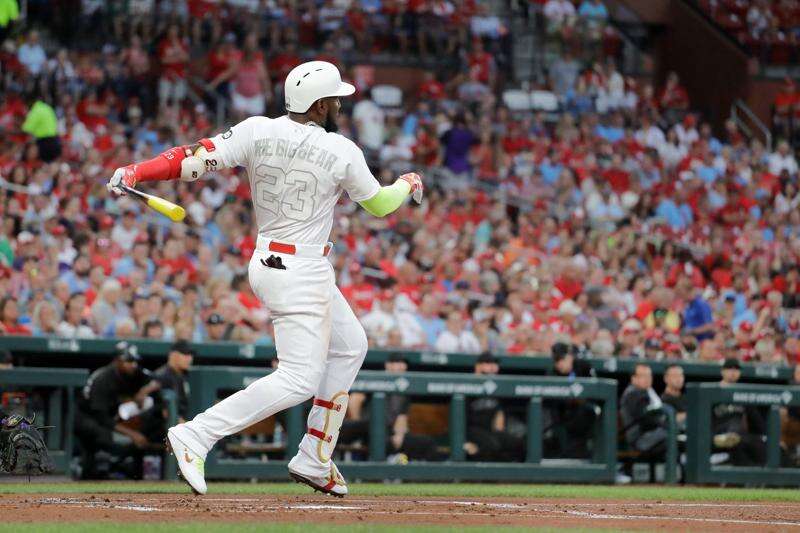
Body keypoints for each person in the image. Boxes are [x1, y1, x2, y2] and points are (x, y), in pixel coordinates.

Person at [106, 61, 424, 496]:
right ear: (322, 103)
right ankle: (197, 434)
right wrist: (408, 182)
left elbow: (192, 160)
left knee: (351, 346)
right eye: (336, 99)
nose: (339, 106)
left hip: (272, 260)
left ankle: (315, 455)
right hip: (300, 270)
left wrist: (136, 171)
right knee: (298, 378)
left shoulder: (257, 129)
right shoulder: (343, 150)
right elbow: (383, 205)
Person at [74, 342, 162, 479]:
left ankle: (127, 471)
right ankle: (98, 470)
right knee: (104, 436)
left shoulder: (135, 372)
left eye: (134, 361)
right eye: (128, 361)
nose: (133, 364)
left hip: (111, 416)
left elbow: (158, 379)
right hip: (87, 417)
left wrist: (145, 390)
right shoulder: (103, 379)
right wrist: (132, 434)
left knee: (147, 420)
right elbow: (101, 417)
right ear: (117, 361)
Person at [340, 353, 441, 462]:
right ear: (388, 366)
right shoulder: (378, 378)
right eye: (397, 363)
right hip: (366, 427)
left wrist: (399, 435)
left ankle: (433, 477)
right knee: (369, 425)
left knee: (428, 443)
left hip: (387, 432)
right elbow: (355, 398)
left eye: (403, 363)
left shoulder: (405, 389)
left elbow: (401, 418)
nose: (401, 366)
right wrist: (356, 420)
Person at [464, 352, 525, 462]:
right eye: (488, 363)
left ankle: (507, 476)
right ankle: (479, 476)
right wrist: (462, 441)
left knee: (516, 443)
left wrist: (499, 430)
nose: (493, 367)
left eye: (494, 364)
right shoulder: (467, 383)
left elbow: (499, 417)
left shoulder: (497, 385)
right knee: (492, 445)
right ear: (478, 366)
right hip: (470, 430)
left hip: (489, 430)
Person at [544, 342, 597, 458]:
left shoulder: (583, 366)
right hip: (563, 415)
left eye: (562, 359)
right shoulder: (552, 373)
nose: (560, 364)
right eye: (556, 361)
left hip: (585, 412)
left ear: (570, 356)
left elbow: (596, 391)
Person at [713, 358, 767, 466]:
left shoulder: (743, 393)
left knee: (756, 443)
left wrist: (764, 434)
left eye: (736, 369)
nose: (733, 372)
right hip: (717, 434)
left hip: (739, 435)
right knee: (736, 437)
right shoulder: (712, 390)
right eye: (730, 369)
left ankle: (761, 478)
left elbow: (756, 420)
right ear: (722, 371)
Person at [619, 363, 667, 461]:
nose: (647, 379)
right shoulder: (634, 393)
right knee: (672, 434)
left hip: (647, 435)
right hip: (639, 439)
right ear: (633, 378)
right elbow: (646, 420)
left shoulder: (647, 391)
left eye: (649, 376)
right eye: (643, 376)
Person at [153, 340, 194, 424]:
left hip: (182, 424)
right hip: (161, 429)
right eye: (185, 354)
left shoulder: (184, 375)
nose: (189, 358)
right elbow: (165, 413)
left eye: (190, 355)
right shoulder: (162, 376)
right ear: (173, 355)